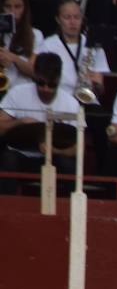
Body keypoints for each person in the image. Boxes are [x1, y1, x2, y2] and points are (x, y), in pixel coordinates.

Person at [0, 51, 78, 193]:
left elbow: (77, 147)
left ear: (59, 79)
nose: (46, 89)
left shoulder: (71, 103)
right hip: (21, 154)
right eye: (41, 83)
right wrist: (19, 123)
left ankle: (67, 210)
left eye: (51, 85)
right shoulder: (17, 93)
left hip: (53, 158)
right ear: (34, 76)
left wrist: (54, 150)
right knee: (7, 159)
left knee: (69, 166)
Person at [36, 0, 108, 102]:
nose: (72, 22)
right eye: (67, 17)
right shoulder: (47, 45)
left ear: (82, 19)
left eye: (77, 17)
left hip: (87, 101)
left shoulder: (94, 45)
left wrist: (98, 84)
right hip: (58, 100)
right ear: (58, 19)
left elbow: (101, 90)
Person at [0, 0, 40, 93]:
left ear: (25, 9)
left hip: (22, 93)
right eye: (8, 6)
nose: (12, 11)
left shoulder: (36, 34)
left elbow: (34, 71)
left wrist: (13, 58)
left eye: (17, 7)